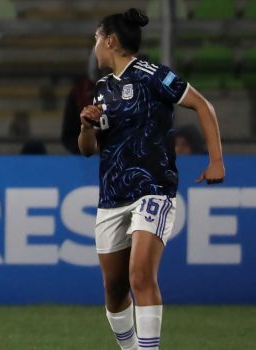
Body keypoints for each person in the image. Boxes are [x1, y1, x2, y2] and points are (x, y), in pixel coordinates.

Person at [78, 8, 225, 350]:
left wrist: (216, 159)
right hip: (113, 195)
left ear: (110, 41)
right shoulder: (102, 90)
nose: (95, 46)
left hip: (154, 190)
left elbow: (203, 106)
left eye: (97, 39)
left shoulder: (153, 75)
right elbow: (88, 150)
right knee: (114, 291)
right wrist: (86, 126)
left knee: (140, 276)